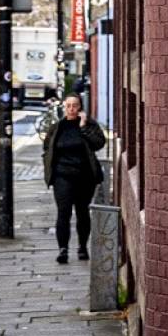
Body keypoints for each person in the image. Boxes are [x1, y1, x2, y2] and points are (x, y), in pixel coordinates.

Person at [42, 95, 106, 264]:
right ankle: (63, 249)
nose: (71, 109)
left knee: (82, 212)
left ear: (80, 108)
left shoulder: (90, 125)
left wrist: (83, 127)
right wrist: (51, 172)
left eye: (75, 106)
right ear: (64, 107)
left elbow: (99, 143)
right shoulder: (57, 127)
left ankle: (82, 247)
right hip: (62, 177)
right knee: (63, 212)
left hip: (85, 177)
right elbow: (47, 147)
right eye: (68, 105)